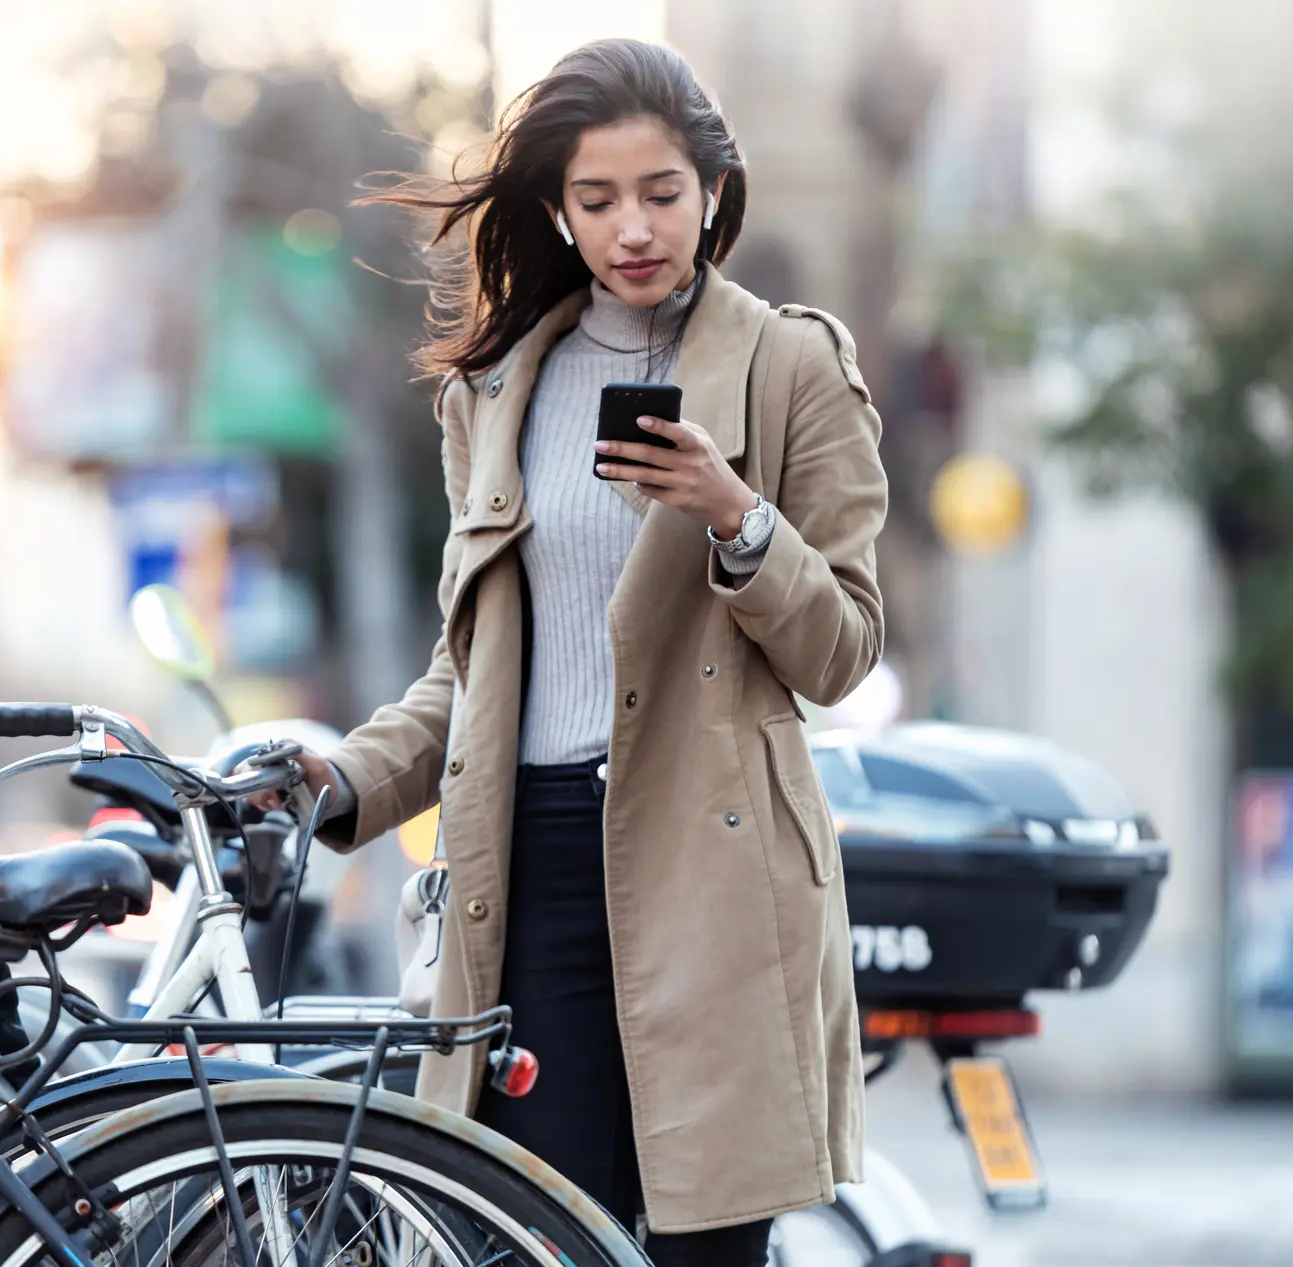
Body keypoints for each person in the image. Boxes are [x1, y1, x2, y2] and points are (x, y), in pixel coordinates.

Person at [269, 38, 887, 1266]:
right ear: (555, 208)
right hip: (531, 866)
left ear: (713, 189)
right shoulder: (495, 390)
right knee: (532, 1230)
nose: (634, 228)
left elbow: (844, 649)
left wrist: (733, 516)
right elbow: (474, 669)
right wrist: (339, 778)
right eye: (596, 199)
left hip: (712, 871)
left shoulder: (789, 365)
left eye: (661, 192)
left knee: (704, 1247)